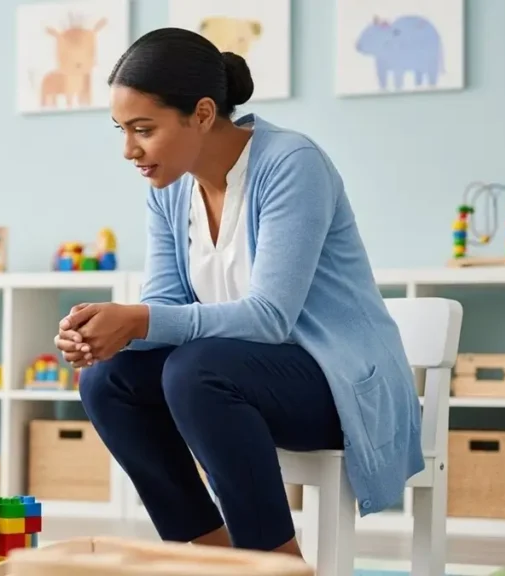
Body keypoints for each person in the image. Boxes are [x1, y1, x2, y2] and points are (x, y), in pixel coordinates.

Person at [54, 28, 421, 556]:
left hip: (336, 383)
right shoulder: (169, 187)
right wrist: (104, 338)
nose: (128, 149)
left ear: (202, 114)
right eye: (121, 129)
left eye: (143, 129)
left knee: (195, 370)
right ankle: (210, 556)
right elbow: (166, 309)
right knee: (107, 380)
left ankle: (277, 565)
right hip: (236, 379)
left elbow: (270, 317)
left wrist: (136, 321)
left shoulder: (292, 164)